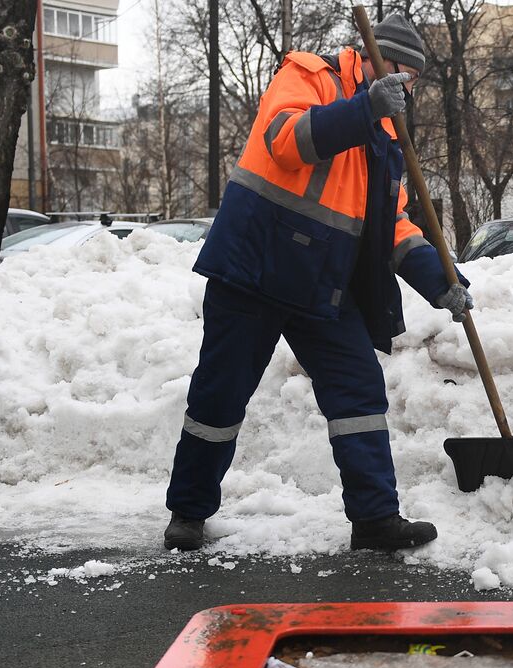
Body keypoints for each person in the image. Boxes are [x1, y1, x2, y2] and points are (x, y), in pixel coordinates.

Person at [163, 15, 471, 553]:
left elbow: (393, 223)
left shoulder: (386, 139)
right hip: (254, 268)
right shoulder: (309, 75)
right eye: (407, 75)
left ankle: (375, 520)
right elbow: (286, 140)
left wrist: (442, 281)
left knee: (359, 392)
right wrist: (365, 108)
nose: (411, 89)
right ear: (379, 59)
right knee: (221, 392)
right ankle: (188, 512)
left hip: (321, 284)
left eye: (416, 82)